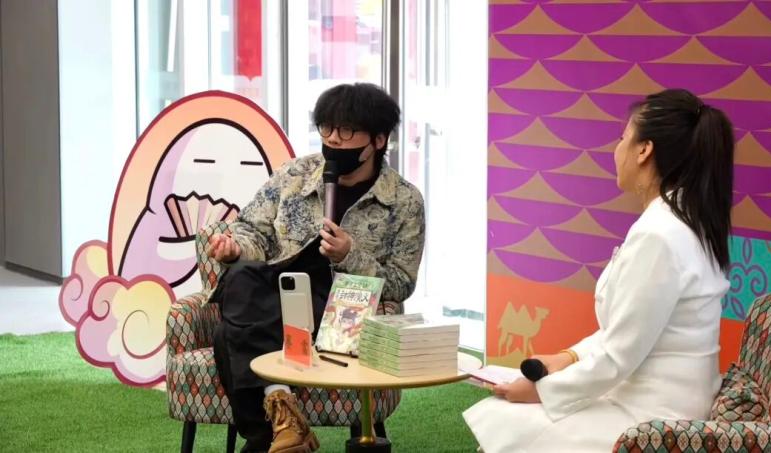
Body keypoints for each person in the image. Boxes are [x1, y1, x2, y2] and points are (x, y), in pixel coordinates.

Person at [464, 88, 735, 452]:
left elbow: (618, 355)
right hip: (661, 403)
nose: (617, 149)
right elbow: (625, 333)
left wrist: (543, 391)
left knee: (506, 420)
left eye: (623, 138)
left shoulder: (660, 235)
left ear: (644, 150)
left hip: (654, 419)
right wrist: (568, 357)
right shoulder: (683, 222)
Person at [208, 83, 425, 453]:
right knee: (240, 275)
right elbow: (252, 231)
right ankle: (283, 421)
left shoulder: (404, 200)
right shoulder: (295, 174)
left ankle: (266, 436)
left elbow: (402, 282)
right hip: (278, 289)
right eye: (326, 128)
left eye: (346, 131)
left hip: (341, 305)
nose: (333, 139)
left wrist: (349, 255)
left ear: (378, 140)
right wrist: (234, 249)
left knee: (226, 335)